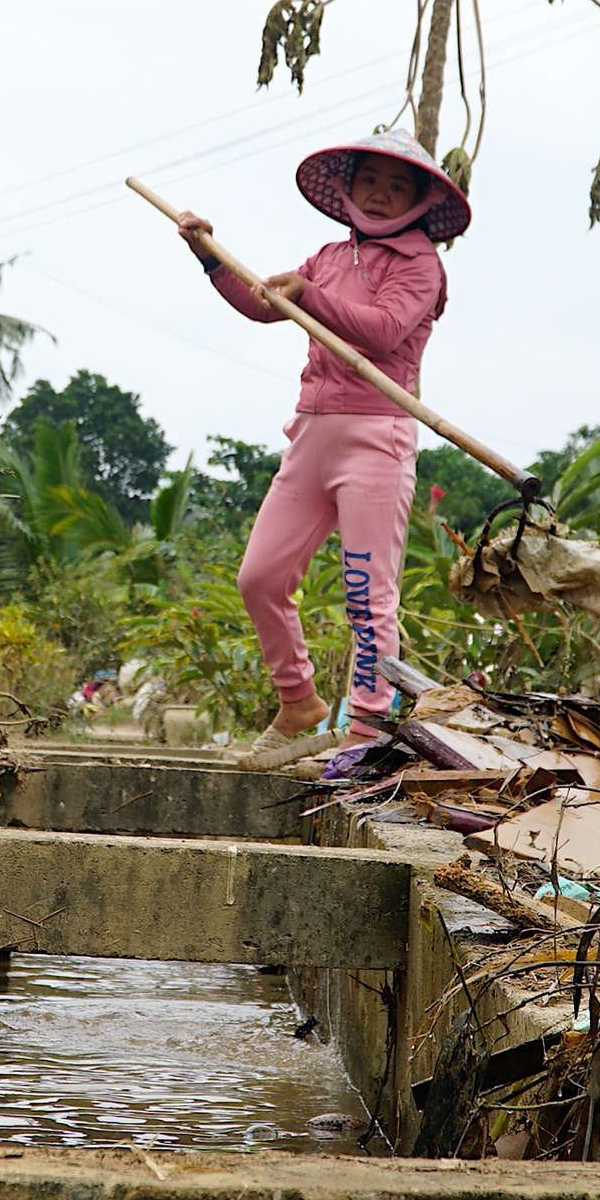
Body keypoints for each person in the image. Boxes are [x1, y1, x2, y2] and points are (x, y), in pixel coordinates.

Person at [173, 128, 471, 769]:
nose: (382, 196)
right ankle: (300, 704)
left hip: (376, 439)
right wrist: (210, 256)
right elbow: (263, 307)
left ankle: (366, 731)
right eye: (371, 182)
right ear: (348, 188)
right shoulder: (330, 256)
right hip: (310, 435)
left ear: (420, 201)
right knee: (260, 578)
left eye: (397, 188)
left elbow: (386, 332)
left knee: (368, 594)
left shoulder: (421, 263)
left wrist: (310, 296)